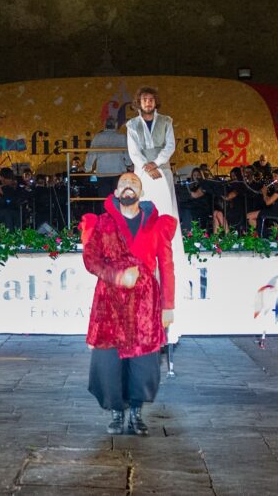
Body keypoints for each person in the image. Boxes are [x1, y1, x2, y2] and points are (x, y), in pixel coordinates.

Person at [80, 172, 176, 436]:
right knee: (109, 362)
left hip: (145, 304)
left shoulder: (156, 225)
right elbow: (91, 260)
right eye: (123, 183)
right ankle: (116, 412)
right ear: (116, 192)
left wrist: (168, 306)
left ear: (141, 193)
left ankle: (135, 412)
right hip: (110, 303)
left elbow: (166, 266)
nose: (128, 187)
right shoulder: (102, 223)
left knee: (143, 363)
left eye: (133, 183)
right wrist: (118, 276)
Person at [125, 86, 184, 263]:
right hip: (143, 174)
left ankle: (170, 251)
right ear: (139, 103)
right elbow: (133, 151)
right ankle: (144, 251)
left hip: (162, 171)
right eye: (144, 100)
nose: (148, 103)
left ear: (155, 101)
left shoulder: (166, 121)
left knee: (167, 209)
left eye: (151, 99)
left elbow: (170, 146)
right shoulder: (132, 125)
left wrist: (156, 164)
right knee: (145, 211)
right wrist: (147, 167)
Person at [86, 117, 130, 204]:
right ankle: (118, 217)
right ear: (116, 125)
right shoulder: (121, 137)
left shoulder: (98, 137)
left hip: (103, 173)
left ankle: (105, 217)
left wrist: (88, 168)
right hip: (118, 173)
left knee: (105, 201)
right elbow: (127, 154)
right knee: (119, 200)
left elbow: (91, 153)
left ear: (104, 125)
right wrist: (128, 163)